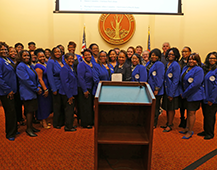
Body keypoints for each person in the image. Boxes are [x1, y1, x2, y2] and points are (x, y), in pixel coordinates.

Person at [16, 50, 42, 137]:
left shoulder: (30, 65)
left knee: (32, 110)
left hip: (33, 91)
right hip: (27, 91)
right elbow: (26, 80)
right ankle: (29, 129)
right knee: (29, 111)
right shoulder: (20, 66)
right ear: (20, 57)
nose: (26, 57)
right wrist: (36, 89)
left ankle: (31, 127)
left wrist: (38, 86)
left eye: (28, 56)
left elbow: (36, 77)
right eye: (24, 56)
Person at [179, 53, 204, 139]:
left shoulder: (199, 70)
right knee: (187, 112)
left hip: (194, 95)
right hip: (185, 94)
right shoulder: (186, 68)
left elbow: (195, 85)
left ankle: (190, 131)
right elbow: (182, 81)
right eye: (190, 59)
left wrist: (185, 94)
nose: (191, 61)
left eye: (193, 59)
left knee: (191, 113)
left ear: (197, 61)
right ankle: (186, 128)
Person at [0, 42, 18, 141]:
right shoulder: (0, 61)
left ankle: (14, 129)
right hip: (6, 92)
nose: (4, 51)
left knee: (13, 111)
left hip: (13, 90)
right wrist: (8, 90)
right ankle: (10, 133)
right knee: (9, 112)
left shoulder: (7, 59)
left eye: (5, 49)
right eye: (2, 49)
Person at [197, 52, 217, 140]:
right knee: (205, 115)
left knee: (210, 116)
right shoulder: (206, 69)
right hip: (204, 96)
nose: (212, 60)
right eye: (210, 58)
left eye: (214, 58)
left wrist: (212, 99)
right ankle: (206, 130)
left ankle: (210, 133)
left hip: (213, 98)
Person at [161, 48, 181, 132]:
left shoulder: (176, 65)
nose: (170, 56)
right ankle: (168, 122)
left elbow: (176, 80)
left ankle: (169, 125)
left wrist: (171, 94)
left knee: (171, 109)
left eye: (173, 54)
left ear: (176, 55)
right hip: (167, 89)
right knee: (167, 107)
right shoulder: (168, 64)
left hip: (172, 91)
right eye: (169, 54)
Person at [145, 48, 164, 128]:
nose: (154, 56)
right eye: (152, 55)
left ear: (159, 56)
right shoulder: (149, 63)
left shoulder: (159, 64)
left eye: (156, 55)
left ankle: (154, 123)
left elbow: (160, 77)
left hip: (156, 89)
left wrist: (157, 89)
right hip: (149, 87)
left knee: (155, 107)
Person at [34, 48, 53, 129]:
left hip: (48, 86)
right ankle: (43, 122)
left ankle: (44, 120)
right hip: (43, 88)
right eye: (40, 57)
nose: (42, 58)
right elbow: (40, 79)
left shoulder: (45, 63)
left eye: (43, 56)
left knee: (46, 105)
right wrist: (45, 89)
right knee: (42, 105)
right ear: (37, 57)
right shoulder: (38, 66)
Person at [47, 47, 65, 129]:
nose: (58, 53)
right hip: (56, 87)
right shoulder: (51, 62)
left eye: (59, 52)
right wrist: (53, 89)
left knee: (62, 105)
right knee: (57, 106)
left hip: (63, 87)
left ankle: (62, 122)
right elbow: (50, 76)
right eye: (56, 52)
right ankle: (56, 123)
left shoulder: (62, 61)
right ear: (53, 53)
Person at [59, 53, 78, 132]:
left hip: (71, 92)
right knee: (68, 110)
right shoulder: (64, 69)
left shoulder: (71, 68)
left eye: (72, 58)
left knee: (70, 110)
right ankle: (68, 126)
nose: (71, 60)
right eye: (69, 59)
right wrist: (69, 96)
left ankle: (70, 124)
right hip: (66, 93)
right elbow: (65, 83)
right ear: (65, 60)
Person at [77, 49, 94, 129]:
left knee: (89, 106)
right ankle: (85, 123)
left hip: (91, 88)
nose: (88, 56)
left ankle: (90, 121)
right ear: (83, 56)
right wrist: (84, 90)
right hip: (84, 88)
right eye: (86, 55)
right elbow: (80, 78)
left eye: (89, 54)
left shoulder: (92, 64)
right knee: (85, 107)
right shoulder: (81, 64)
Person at [8, 47, 24, 126]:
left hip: (19, 84)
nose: (13, 53)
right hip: (12, 85)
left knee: (19, 103)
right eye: (11, 51)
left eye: (15, 51)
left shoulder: (18, 61)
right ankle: (15, 121)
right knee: (13, 105)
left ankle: (20, 118)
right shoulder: (7, 62)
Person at [178, 46, 192, 128]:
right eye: (183, 51)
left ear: (189, 52)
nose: (184, 53)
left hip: (189, 88)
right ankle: (182, 119)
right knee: (182, 106)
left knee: (189, 107)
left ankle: (187, 120)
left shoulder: (193, 62)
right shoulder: (180, 62)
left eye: (186, 51)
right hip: (181, 87)